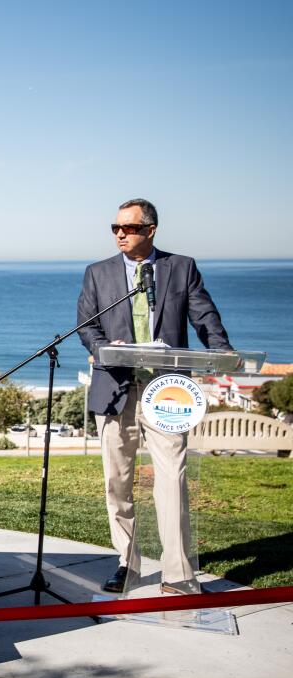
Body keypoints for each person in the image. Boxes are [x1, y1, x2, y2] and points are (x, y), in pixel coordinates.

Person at [77, 198, 232, 595]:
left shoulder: (182, 267)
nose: (119, 234)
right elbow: (86, 325)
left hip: (169, 389)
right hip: (115, 388)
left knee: (173, 477)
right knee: (118, 480)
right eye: (115, 228)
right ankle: (126, 563)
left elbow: (204, 315)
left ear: (150, 230)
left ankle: (177, 571)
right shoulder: (98, 273)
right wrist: (101, 347)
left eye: (127, 228)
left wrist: (221, 349)